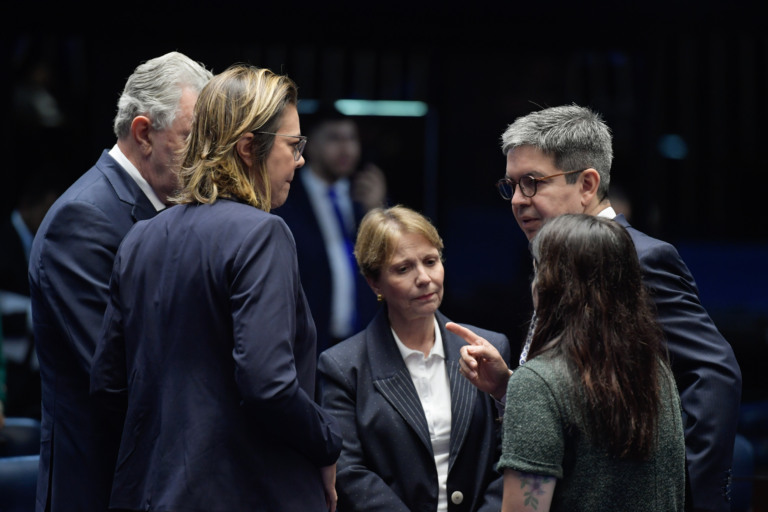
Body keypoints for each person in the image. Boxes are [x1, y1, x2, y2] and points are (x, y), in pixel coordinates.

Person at [453, 104, 742, 512]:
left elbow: (714, 373)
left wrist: (684, 496)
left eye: (532, 182)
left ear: (587, 184)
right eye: (512, 185)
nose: (517, 200)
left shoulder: (639, 257)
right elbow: (584, 392)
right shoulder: (555, 255)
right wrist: (510, 387)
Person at [90, 64, 342, 512]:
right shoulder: (264, 233)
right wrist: (328, 443)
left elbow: (109, 387)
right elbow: (269, 385)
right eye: (293, 145)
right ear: (249, 148)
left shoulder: (141, 236)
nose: (301, 159)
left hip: (148, 493)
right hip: (246, 493)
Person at [28, 51, 212, 512]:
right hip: (101, 488)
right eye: (192, 139)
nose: (206, 159)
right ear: (144, 132)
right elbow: (121, 377)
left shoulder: (168, 208)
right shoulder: (84, 217)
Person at [458, 213, 686, 510]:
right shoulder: (656, 369)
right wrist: (508, 388)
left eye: (537, 271)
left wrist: (525, 389)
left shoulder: (538, 384)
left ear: (550, 285)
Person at [318, 205, 511, 512]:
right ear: (374, 282)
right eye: (403, 269)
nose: (424, 278)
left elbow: (509, 454)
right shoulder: (343, 367)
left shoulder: (488, 348)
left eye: (431, 261)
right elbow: (350, 473)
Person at [275, 106, 386, 355]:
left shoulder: (366, 196)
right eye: (335, 139)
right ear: (310, 145)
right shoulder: (286, 197)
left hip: (361, 342)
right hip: (306, 343)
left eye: (352, 139)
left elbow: (387, 266)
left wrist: (377, 211)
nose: (346, 148)